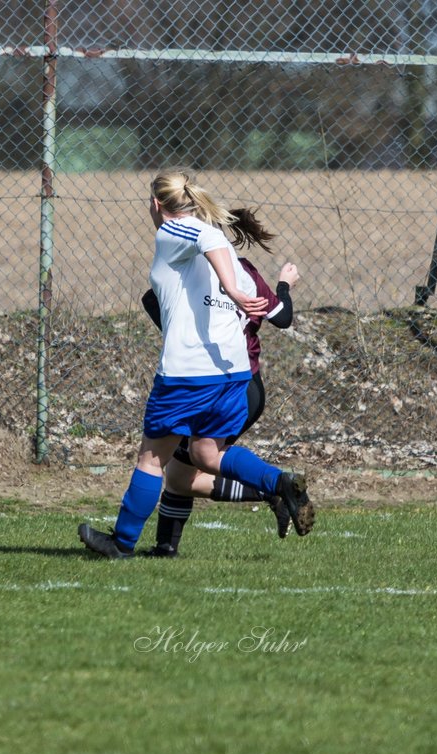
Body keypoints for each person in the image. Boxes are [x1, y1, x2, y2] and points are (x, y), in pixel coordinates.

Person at [78, 170, 315, 559]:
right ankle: (279, 483)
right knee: (207, 455)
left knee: (153, 458)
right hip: (234, 375)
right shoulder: (237, 262)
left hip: (190, 374)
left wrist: (233, 290)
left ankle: (120, 544)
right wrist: (237, 285)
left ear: (157, 204)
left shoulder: (174, 232)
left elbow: (208, 236)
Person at [139, 207, 302, 557]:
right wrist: (284, 285)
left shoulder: (187, 271)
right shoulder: (245, 272)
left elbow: (151, 300)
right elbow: (284, 317)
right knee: (183, 474)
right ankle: (165, 548)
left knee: (186, 467)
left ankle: (275, 488)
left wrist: (181, 337)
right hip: (245, 385)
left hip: (219, 386)